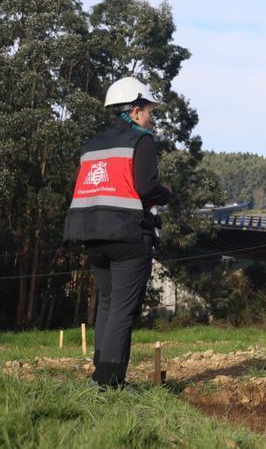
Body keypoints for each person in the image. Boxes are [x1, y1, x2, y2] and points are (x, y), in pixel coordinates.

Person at [65, 77, 171, 389]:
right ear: (136, 111)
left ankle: (101, 375)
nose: (150, 117)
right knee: (123, 310)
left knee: (108, 305)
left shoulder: (92, 144)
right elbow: (146, 187)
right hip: (127, 235)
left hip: (91, 235)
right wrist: (166, 193)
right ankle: (109, 383)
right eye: (149, 111)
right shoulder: (141, 139)